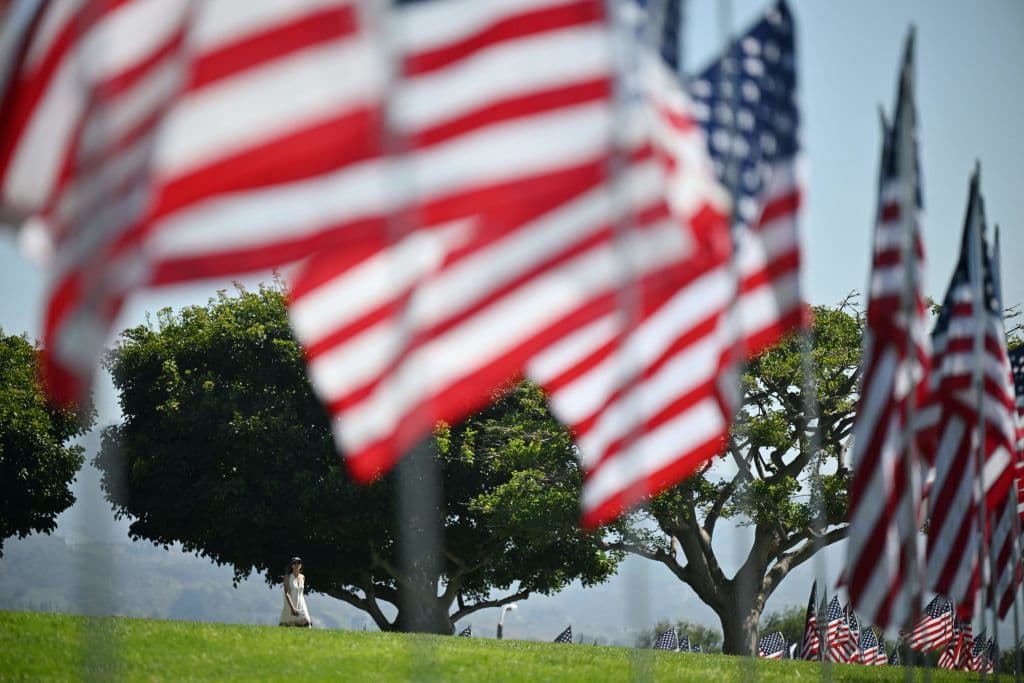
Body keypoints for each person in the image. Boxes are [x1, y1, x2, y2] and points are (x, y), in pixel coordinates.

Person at [279, 556, 312, 627]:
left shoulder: (303, 577)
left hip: (301, 605)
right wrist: (292, 608)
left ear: (301, 565)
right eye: (294, 563)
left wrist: (303, 603)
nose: (297, 564)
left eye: (299, 562)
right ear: (291, 565)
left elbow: (301, 593)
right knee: (287, 626)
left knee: (307, 623)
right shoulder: (287, 577)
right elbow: (286, 594)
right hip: (290, 605)